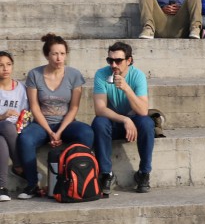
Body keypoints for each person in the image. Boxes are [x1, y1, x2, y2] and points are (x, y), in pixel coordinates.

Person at [16, 34, 94, 200]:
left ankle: (77, 177)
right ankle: (32, 184)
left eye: (62, 54)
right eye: (54, 54)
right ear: (47, 55)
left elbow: (74, 107)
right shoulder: (34, 75)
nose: (59, 58)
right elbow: (35, 107)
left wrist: (59, 132)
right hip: (41, 124)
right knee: (25, 139)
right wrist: (50, 132)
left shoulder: (74, 75)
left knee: (86, 133)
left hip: (65, 123)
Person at [91, 42, 155, 195]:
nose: (114, 64)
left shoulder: (137, 75)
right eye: (110, 60)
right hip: (114, 123)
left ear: (129, 61)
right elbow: (100, 109)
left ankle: (144, 174)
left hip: (136, 122)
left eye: (118, 60)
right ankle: (106, 174)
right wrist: (125, 120)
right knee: (99, 122)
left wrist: (126, 88)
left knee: (147, 123)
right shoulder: (101, 74)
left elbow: (142, 110)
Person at [0, 51, 27, 202]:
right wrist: (3, 116)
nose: (5, 68)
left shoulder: (20, 89)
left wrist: (21, 124)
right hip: (4, 126)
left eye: (8, 64)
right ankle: (18, 165)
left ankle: (1, 188)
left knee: (1, 141)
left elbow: (26, 113)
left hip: (12, 133)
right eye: (0, 65)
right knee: (5, 125)